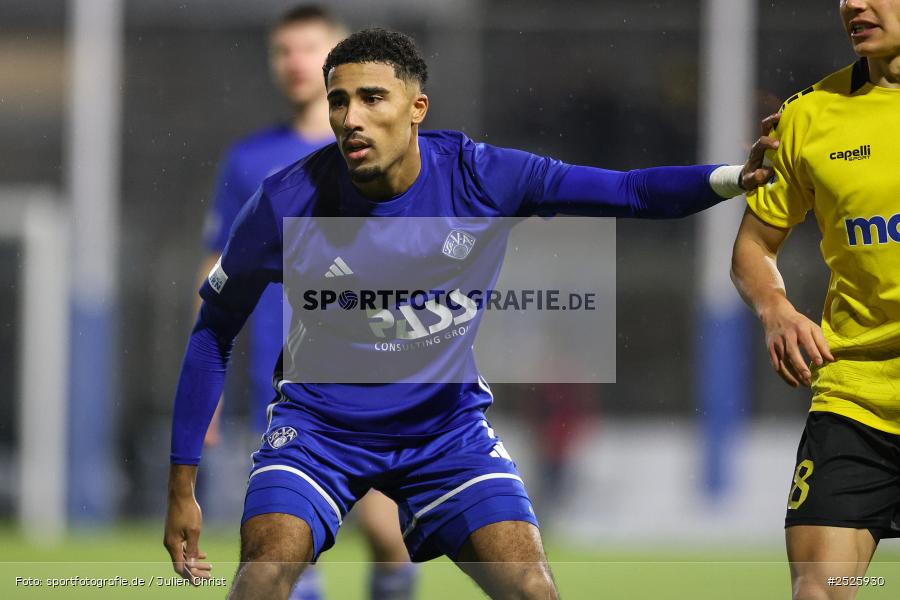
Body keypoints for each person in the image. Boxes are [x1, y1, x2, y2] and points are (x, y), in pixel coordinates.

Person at [165, 28, 776, 599]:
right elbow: (212, 329)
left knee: (533, 588)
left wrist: (733, 177)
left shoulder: (480, 177)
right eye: (339, 101)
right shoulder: (286, 202)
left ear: (416, 108)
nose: (351, 117)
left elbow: (631, 191)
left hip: (444, 434)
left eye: (372, 97)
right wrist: (182, 488)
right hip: (319, 433)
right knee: (262, 578)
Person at [195, 6, 415, 599]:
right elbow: (217, 272)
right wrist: (203, 384)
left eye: (308, 49)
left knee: (389, 535)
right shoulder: (249, 161)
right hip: (284, 378)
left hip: (376, 370)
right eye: (283, 51)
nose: (295, 63)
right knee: (287, 542)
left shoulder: (386, 148)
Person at [731, 1, 900, 598]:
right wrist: (776, 308)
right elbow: (754, 245)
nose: (855, 3)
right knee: (819, 590)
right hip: (857, 398)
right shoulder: (808, 117)